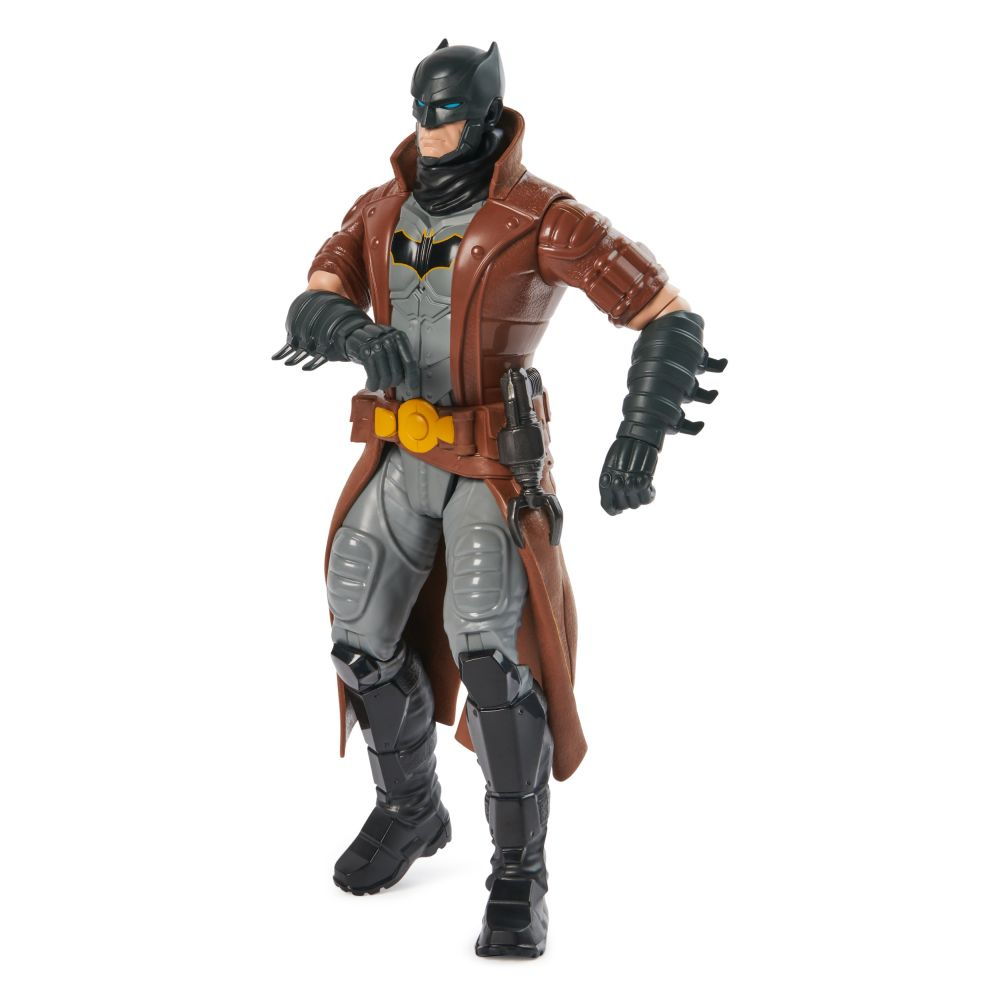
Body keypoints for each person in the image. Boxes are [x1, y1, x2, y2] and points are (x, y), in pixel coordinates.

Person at [272, 39, 725, 959]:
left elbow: (665, 311)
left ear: (482, 116)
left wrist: (639, 434)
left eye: (443, 112)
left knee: (492, 655)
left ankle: (520, 871)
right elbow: (311, 299)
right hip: (400, 456)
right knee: (357, 631)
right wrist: (353, 332)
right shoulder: (379, 209)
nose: (426, 127)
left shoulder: (542, 217)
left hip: (490, 466)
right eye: (417, 109)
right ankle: (410, 809)